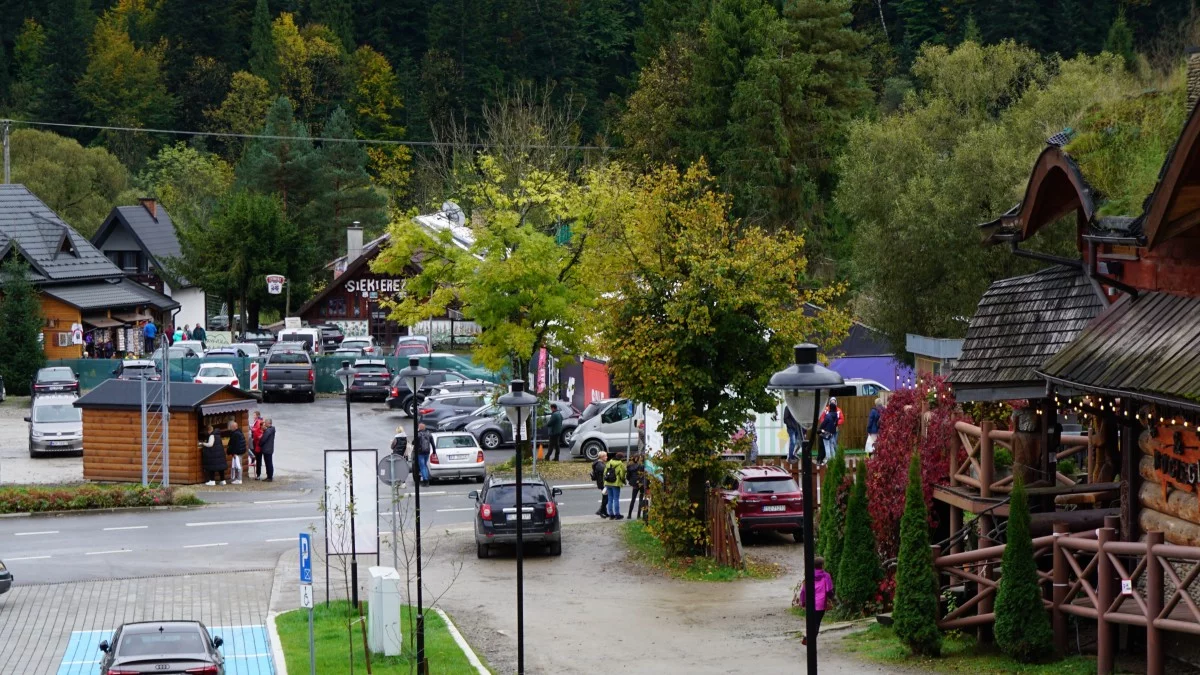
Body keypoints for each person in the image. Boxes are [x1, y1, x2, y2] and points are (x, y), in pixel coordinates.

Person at [795, 556, 835, 645]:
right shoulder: (826, 576)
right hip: (820, 603)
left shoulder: (809, 575)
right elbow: (829, 590)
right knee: (816, 623)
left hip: (810, 603)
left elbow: (803, 590)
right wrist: (832, 599)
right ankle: (809, 640)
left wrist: (803, 602)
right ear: (822, 565)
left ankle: (809, 639)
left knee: (811, 622)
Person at [817, 399, 843, 465]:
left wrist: (820, 430)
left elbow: (823, 424)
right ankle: (833, 459)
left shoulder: (828, 416)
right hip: (832, 433)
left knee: (827, 446)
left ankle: (829, 460)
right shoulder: (836, 416)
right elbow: (836, 424)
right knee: (832, 446)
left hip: (826, 433)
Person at [604, 452, 627, 520]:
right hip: (615, 483)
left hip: (608, 482)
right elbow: (622, 474)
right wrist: (623, 481)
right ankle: (617, 514)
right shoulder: (620, 464)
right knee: (616, 499)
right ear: (621, 458)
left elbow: (605, 472)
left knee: (610, 499)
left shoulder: (609, 462)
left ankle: (611, 514)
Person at [626, 454, 645, 520]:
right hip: (641, 484)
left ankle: (629, 515)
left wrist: (631, 481)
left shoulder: (629, 466)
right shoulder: (642, 466)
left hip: (634, 484)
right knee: (641, 499)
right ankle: (638, 515)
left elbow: (627, 476)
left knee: (633, 499)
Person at [591, 450, 609, 518]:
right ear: (602, 457)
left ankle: (604, 512)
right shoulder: (600, 465)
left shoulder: (599, 463)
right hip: (602, 483)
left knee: (605, 498)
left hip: (601, 483)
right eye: (606, 456)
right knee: (606, 498)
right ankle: (601, 511)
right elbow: (605, 472)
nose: (607, 457)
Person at [415, 422, 433, 486]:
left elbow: (414, 442)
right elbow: (432, 442)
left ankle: (425, 480)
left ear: (419, 428)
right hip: (427, 452)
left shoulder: (418, 434)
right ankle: (427, 479)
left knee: (422, 466)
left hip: (420, 452)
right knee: (425, 465)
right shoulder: (428, 433)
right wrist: (434, 451)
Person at [250, 411, 265, 479]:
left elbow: (256, 438)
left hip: (258, 447)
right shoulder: (266, 430)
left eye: (254, 415)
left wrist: (252, 429)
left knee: (258, 460)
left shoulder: (258, 422)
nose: (253, 416)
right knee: (261, 460)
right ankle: (261, 474)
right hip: (262, 447)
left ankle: (258, 475)